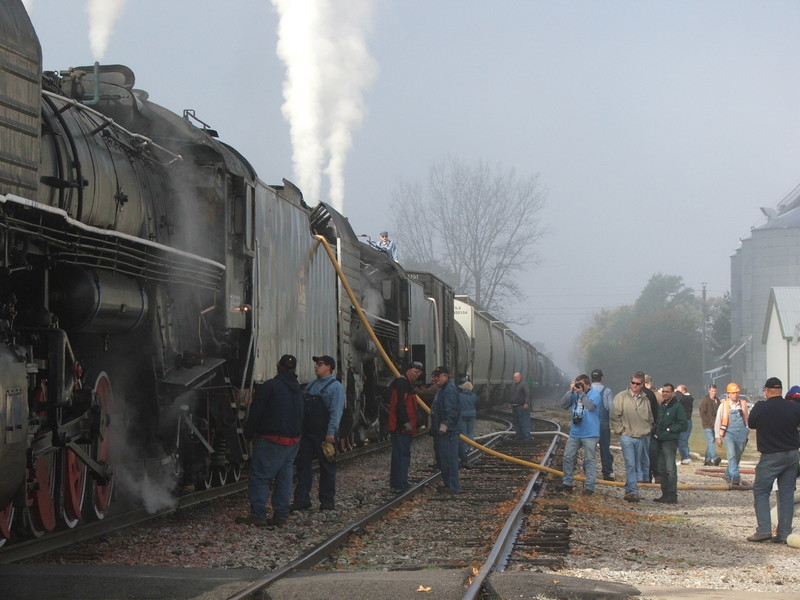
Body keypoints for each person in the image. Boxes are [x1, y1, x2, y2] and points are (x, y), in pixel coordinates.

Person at [237, 354, 304, 527]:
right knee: (284, 478)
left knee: (260, 476)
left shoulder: (270, 386)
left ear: (278, 366)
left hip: (271, 438)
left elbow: (256, 412)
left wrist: (249, 434)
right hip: (293, 440)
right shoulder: (297, 388)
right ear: (293, 370)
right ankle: (281, 515)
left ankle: (258, 514)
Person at [746, 377, 800, 543]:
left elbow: (752, 424)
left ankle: (763, 530)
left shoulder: (761, 407)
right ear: (781, 390)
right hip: (791, 454)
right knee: (786, 495)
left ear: (767, 390)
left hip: (771, 455)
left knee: (761, 490)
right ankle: (783, 534)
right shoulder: (793, 407)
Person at [292, 355, 345, 511]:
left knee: (327, 467)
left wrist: (331, 433)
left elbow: (336, 412)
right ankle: (302, 499)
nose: (316, 367)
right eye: (316, 364)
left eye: (320, 364)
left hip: (324, 433)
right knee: (303, 465)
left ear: (329, 367)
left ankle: (327, 501)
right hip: (308, 431)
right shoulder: (311, 385)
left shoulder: (336, 387)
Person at [611, 371, 653, 502]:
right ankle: (634, 491)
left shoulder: (646, 400)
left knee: (636, 464)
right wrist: (621, 431)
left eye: (637, 383)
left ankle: (629, 489)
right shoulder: (621, 397)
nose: (634, 385)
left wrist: (648, 429)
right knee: (630, 462)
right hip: (627, 436)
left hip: (641, 436)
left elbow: (650, 417)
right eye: (632, 383)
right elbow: (614, 416)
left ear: (642, 385)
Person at [559, 374, 600, 495]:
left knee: (589, 460)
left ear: (588, 385)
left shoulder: (595, 394)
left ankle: (590, 486)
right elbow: (563, 405)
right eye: (578, 384)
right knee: (567, 456)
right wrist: (570, 391)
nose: (579, 386)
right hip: (575, 432)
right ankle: (567, 483)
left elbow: (591, 407)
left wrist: (582, 393)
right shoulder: (574, 394)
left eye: (581, 384)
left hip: (590, 433)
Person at [387, 361, 424, 493]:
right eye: (416, 372)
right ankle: (400, 484)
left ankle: (399, 483)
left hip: (402, 427)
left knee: (401, 455)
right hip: (401, 428)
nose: (418, 375)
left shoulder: (405, 383)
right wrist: (405, 422)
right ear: (408, 370)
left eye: (419, 373)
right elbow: (400, 405)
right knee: (401, 456)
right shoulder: (402, 384)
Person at [653, 383, 688, 504]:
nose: (665, 394)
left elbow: (683, 424)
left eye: (667, 392)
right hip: (660, 440)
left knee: (670, 469)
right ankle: (664, 494)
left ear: (673, 393)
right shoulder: (662, 406)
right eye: (663, 391)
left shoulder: (677, 406)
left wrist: (670, 429)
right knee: (661, 468)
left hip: (670, 441)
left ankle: (672, 495)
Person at [430, 366, 461, 493]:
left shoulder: (449, 390)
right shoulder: (443, 389)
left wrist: (444, 425)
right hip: (443, 432)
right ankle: (449, 484)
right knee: (444, 460)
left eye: (438, 376)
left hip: (448, 432)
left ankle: (452, 486)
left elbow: (451, 410)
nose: (436, 379)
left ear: (446, 376)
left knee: (449, 459)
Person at [714, 382, 749, 487]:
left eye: (737, 392)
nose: (735, 395)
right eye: (733, 393)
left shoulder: (743, 404)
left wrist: (747, 431)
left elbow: (747, 419)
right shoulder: (723, 405)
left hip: (742, 433)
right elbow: (718, 421)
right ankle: (736, 477)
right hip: (728, 433)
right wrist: (717, 436)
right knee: (732, 454)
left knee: (737, 456)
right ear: (728, 394)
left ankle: (727, 475)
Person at [590, 368, 615, 481]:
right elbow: (610, 408)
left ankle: (589, 472)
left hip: (590, 424)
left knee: (590, 449)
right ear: (602, 378)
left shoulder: (588, 390)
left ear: (591, 378)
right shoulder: (607, 391)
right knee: (605, 449)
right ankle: (607, 472)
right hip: (603, 423)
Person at [698, 384, 722, 466]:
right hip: (707, 425)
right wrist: (709, 422)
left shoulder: (717, 401)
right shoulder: (705, 401)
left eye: (715, 391)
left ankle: (707, 460)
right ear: (709, 391)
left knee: (710, 442)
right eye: (712, 391)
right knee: (711, 441)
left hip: (715, 425)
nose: (714, 392)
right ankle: (714, 458)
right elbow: (702, 413)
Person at [456, 377, 477, 469]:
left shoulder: (460, 396)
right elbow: (476, 403)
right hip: (472, 415)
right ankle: (471, 446)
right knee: (471, 431)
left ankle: (464, 448)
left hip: (463, 415)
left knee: (463, 433)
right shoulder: (474, 396)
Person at [642, 374, 659, 483]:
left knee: (641, 454)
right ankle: (655, 475)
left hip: (637, 428)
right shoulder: (652, 394)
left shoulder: (629, 394)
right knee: (652, 453)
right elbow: (656, 412)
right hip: (650, 427)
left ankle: (644, 476)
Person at [675, 384, 695, 464]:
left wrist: (676, 391)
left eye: (679, 391)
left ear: (683, 390)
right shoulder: (685, 397)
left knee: (682, 439)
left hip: (686, 421)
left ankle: (686, 457)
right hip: (684, 421)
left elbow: (681, 398)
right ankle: (684, 456)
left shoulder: (688, 397)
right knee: (681, 439)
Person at [509, 372, 532, 440]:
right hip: (515, 406)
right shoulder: (514, 385)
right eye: (514, 377)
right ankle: (519, 436)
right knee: (517, 422)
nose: (515, 378)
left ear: (520, 377)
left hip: (522, 406)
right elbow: (512, 395)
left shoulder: (524, 384)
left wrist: (526, 403)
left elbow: (527, 393)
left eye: (516, 377)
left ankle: (526, 437)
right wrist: (510, 403)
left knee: (524, 422)